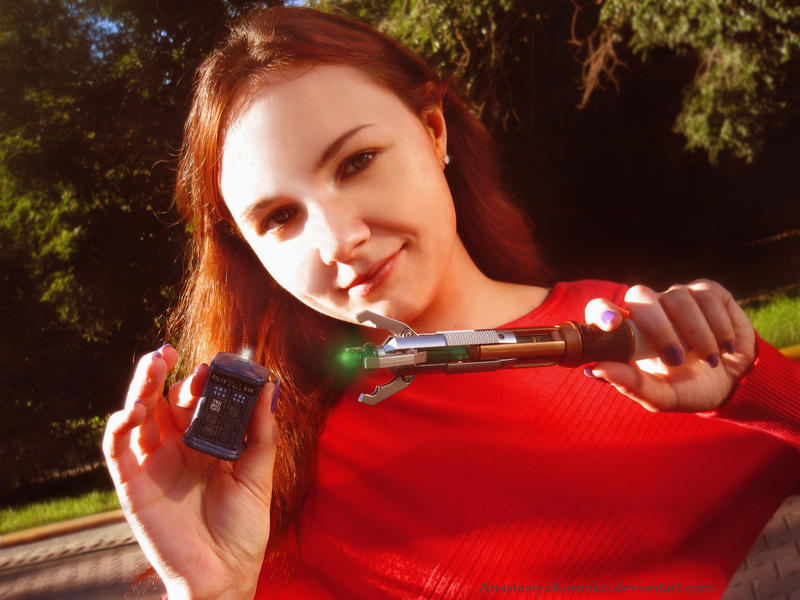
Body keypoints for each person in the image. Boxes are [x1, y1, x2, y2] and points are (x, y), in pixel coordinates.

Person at [103, 6, 800, 599]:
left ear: (433, 131)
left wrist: (754, 390)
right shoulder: (270, 475)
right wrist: (211, 591)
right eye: (280, 217)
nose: (340, 241)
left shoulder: (640, 343)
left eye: (357, 162)